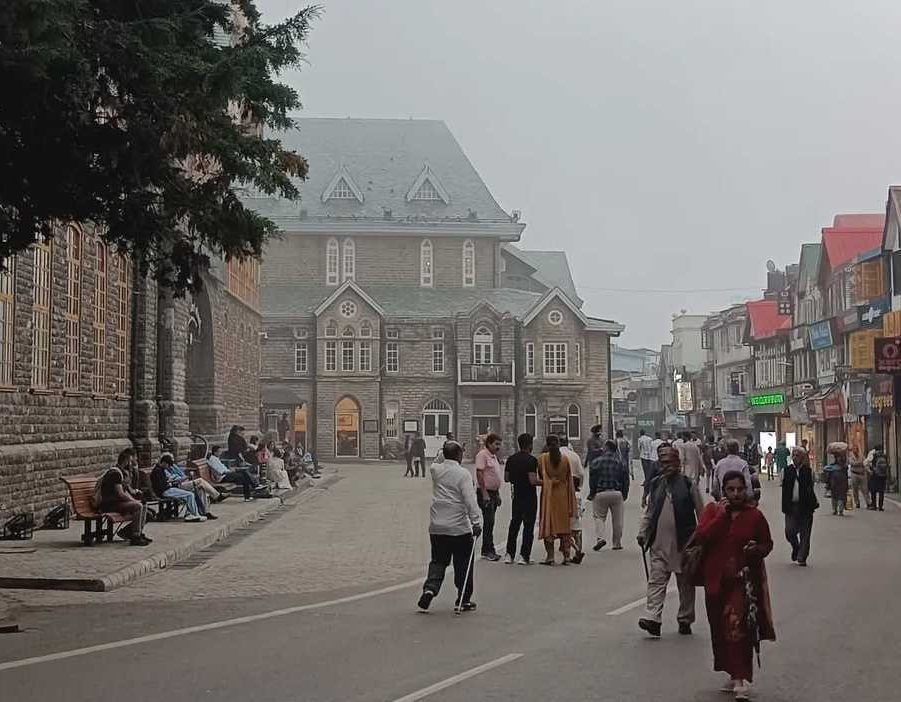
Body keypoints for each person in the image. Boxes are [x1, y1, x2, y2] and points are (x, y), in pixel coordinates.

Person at [694, 470, 776, 700]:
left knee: (736, 626)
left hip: (742, 582)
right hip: (715, 582)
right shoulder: (713, 512)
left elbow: (767, 543)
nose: (736, 494)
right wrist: (722, 516)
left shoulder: (755, 516)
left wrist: (756, 550)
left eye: (740, 489)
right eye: (731, 489)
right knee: (720, 629)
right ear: (723, 490)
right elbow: (702, 537)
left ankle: (741, 678)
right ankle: (732, 672)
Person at [637, 445, 704, 638]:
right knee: (656, 581)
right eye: (662, 462)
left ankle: (685, 619)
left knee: (685, 585)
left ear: (677, 463)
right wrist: (643, 532)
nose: (665, 466)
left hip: (684, 543)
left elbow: (701, 512)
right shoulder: (656, 484)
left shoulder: (688, 484)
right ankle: (653, 618)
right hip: (659, 544)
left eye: (668, 462)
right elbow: (650, 512)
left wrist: (702, 538)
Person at [417, 441, 481, 613]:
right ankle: (463, 599)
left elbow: (436, 461)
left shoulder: (436, 470)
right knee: (463, 563)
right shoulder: (463, 474)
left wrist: (443, 452)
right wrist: (476, 522)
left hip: (437, 526)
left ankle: (430, 589)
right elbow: (470, 500)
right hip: (459, 527)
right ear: (459, 455)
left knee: (438, 561)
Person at [537, 434, 576, 565]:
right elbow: (569, 479)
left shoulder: (542, 459)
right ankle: (567, 557)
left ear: (547, 445)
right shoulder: (565, 459)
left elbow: (540, 476)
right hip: (563, 496)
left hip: (548, 497)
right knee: (564, 527)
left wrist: (549, 481)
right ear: (559, 444)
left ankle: (550, 557)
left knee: (549, 525)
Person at [93, 464, 151, 546]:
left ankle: (139, 533)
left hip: (117, 503)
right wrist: (134, 501)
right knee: (138, 506)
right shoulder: (115, 475)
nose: (130, 478)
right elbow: (121, 494)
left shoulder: (121, 476)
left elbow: (126, 493)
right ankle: (135, 536)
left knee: (143, 505)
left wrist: (135, 500)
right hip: (110, 505)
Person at [588, 439, 630, 551]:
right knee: (618, 519)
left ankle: (600, 538)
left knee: (599, 517)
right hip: (616, 493)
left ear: (606, 448)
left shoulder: (596, 462)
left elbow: (592, 479)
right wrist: (624, 493)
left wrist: (592, 492)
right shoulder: (620, 462)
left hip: (600, 492)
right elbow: (626, 480)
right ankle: (617, 543)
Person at [504, 433, 539, 565]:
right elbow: (532, 480)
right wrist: (546, 482)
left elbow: (506, 478)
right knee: (528, 526)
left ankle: (509, 554)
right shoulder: (532, 460)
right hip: (529, 496)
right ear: (530, 445)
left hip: (516, 495)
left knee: (514, 524)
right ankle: (524, 556)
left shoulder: (511, 459)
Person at [782, 447, 818, 566]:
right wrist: (785, 506)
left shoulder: (808, 471)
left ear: (802, 458)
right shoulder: (787, 470)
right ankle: (796, 547)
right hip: (791, 506)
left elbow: (811, 487)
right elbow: (784, 489)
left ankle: (802, 557)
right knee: (789, 531)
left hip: (806, 507)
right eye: (793, 455)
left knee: (805, 533)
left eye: (797, 455)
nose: (795, 458)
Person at [150, 454, 209, 522]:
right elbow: (161, 486)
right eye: (168, 465)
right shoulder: (157, 471)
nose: (168, 467)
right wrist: (169, 483)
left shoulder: (160, 469)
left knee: (191, 493)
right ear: (164, 463)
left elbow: (163, 482)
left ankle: (193, 514)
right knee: (190, 495)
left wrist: (169, 482)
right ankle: (194, 514)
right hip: (164, 491)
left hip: (167, 489)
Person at [475, 433, 503, 561]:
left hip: (493, 493)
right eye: (496, 444)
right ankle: (487, 550)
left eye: (499, 444)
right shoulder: (482, 455)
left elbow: (494, 475)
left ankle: (489, 549)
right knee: (489, 521)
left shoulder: (493, 456)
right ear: (489, 443)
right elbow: (480, 474)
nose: (498, 447)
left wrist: (497, 494)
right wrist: (485, 493)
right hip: (485, 493)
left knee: (491, 522)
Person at [559, 435, 586, 563]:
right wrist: (579, 486)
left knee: (562, 525)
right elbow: (581, 474)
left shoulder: (556, 455)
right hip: (575, 491)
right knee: (575, 526)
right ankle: (577, 549)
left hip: (561, 491)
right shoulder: (574, 456)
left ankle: (567, 552)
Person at [824, 445, 849, 516]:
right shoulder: (843, 466)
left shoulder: (834, 466)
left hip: (835, 482)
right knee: (840, 495)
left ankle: (835, 510)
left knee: (835, 496)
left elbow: (825, 469)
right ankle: (839, 510)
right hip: (840, 482)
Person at [867, 444, 889, 511]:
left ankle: (874, 505)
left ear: (875, 449)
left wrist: (871, 470)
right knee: (881, 491)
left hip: (875, 475)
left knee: (873, 491)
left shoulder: (874, 455)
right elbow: (887, 465)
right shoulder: (884, 455)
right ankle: (880, 506)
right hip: (883, 476)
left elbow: (869, 464)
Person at [849, 446, 869, 510]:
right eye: (854, 449)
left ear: (857, 450)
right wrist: (860, 463)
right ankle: (857, 502)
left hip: (862, 474)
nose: (855, 450)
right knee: (855, 490)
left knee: (865, 489)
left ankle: (868, 502)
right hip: (854, 474)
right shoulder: (851, 457)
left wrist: (868, 470)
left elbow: (865, 463)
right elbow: (853, 463)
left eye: (856, 449)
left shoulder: (861, 456)